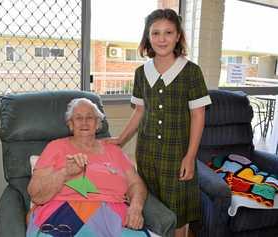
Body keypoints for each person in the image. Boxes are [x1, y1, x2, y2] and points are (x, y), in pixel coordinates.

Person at [107, 9, 212, 237]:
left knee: (177, 213)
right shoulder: (141, 73)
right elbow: (139, 112)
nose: (161, 38)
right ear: (148, 37)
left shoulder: (191, 72)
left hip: (177, 155)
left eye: (168, 32)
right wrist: (121, 139)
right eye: (155, 33)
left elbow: (198, 115)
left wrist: (190, 156)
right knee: (150, 208)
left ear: (177, 37)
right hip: (146, 154)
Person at [26, 98, 148, 236]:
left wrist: (136, 207)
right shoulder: (55, 147)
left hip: (113, 214)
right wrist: (65, 173)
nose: (84, 122)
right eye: (78, 118)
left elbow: (136, 183)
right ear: (71, 124)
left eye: (89, 117)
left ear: (97, 124)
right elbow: (36, 194)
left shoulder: (114, 151)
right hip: (64, 211)